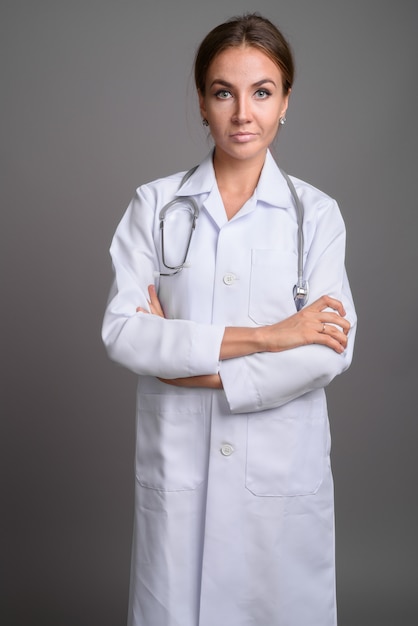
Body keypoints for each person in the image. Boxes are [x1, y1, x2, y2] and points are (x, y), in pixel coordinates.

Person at [102, 13, 356, 626]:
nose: (243, 113)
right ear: (202, 103)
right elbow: (125, 332)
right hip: (180, 475)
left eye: (262, 92)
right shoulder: (155, 206)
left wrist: (192, 366)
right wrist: (274, 336)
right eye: (224, 92)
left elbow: (328, 350)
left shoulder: (316, 216)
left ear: (286, 101)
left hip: (277, 483)